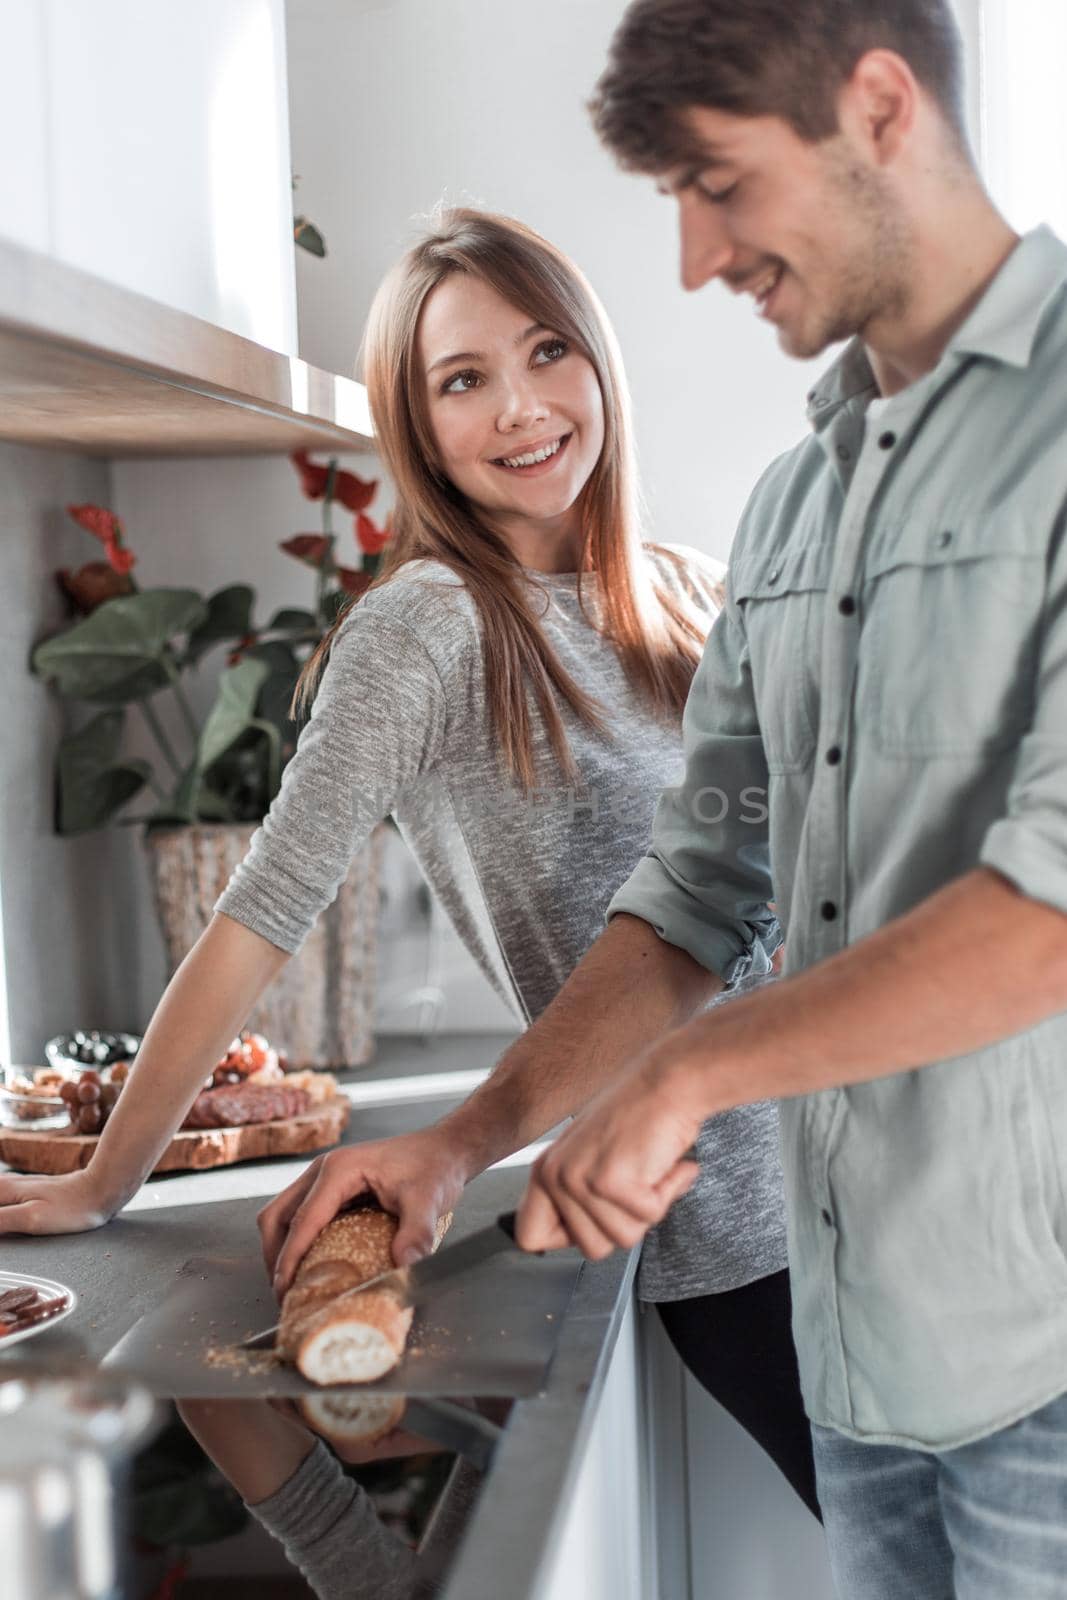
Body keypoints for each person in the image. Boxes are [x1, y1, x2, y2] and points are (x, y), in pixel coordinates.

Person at [0, 211, 820, 1527]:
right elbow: (264, 908)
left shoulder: (696, 598)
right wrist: (110, 1179)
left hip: (896, 1184)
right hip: (744, 1239)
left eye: (548, 350)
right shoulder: (430, 627)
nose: (522, 406)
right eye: (463, 379)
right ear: (418, 426)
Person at [491, 2, 1067, 1596]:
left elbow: (1052, 912)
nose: (690, 258)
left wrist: (687, 1082)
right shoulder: (796, 499)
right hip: (862, 1355)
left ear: (879, 107)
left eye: (719, 185)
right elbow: (696, 890)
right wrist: (467, 1138)